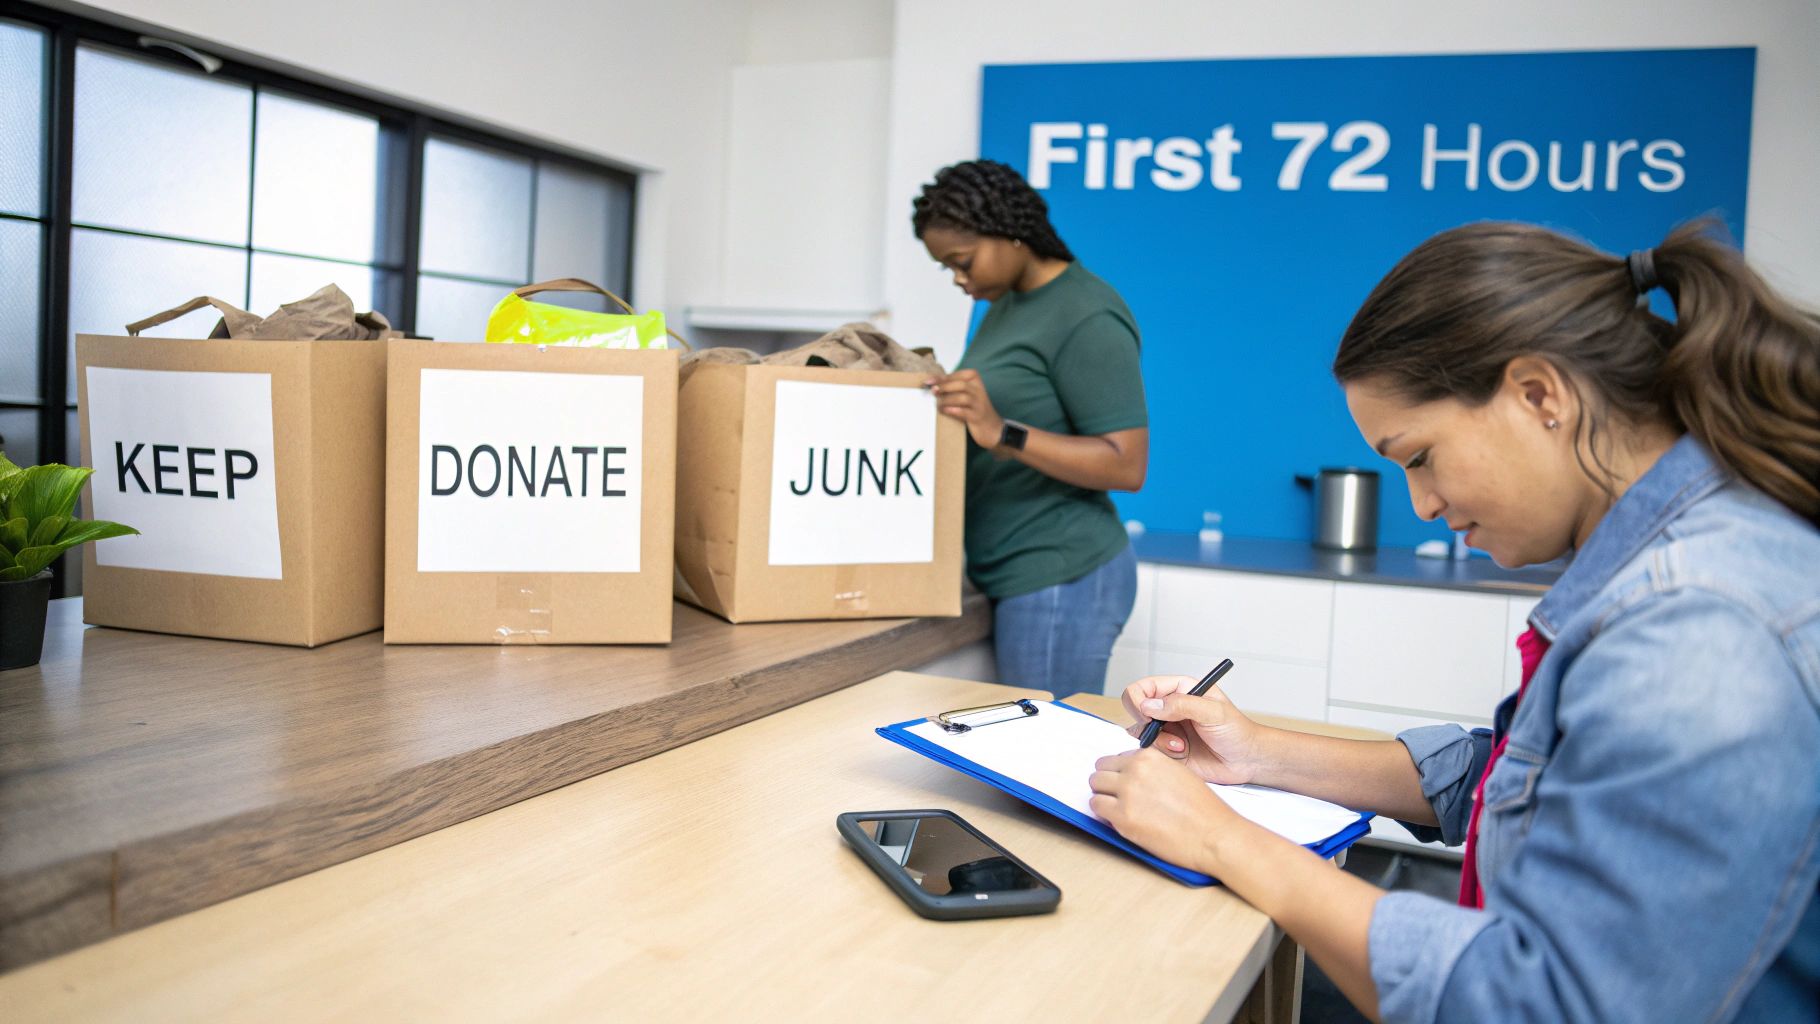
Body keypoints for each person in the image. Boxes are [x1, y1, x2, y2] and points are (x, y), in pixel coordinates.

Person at [1087, 220, 1820, 1022]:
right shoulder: (1684, 552)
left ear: (1541, 395)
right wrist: (1256, 755)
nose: (1424, 505)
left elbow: (1540, 1006)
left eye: (1420, 456)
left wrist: (1223, 841)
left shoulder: (1696, 628)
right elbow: (1517, 782)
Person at [912, 159, 1149, 699]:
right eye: (946, 267)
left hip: (1060, 574)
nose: (957, 278)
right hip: (1013, 570)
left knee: (1038, 765)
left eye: (962, 261)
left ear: (1010, 233)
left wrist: (1004, 432)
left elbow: (1126, 463)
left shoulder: (1087, 314)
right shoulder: (1005, 304)